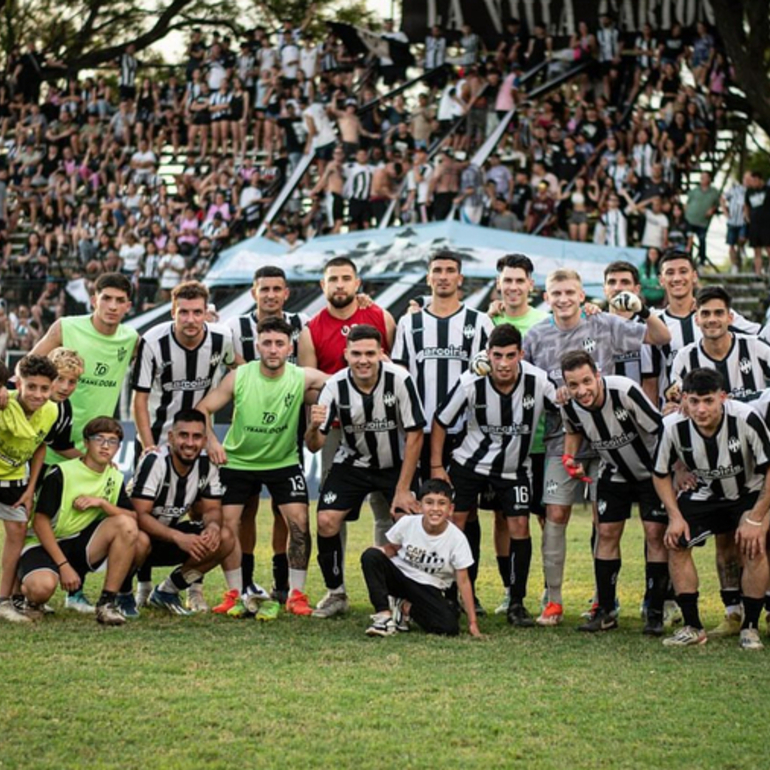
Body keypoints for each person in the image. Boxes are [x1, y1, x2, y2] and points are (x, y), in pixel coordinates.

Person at [523, 268, 671, 626]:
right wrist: (550, 393)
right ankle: (553, 599)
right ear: (546, 297)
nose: (563, 298)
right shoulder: (535, 335)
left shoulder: (601, 322)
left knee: (605, 521)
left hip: (610, 444)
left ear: (581, 294)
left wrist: (643, 309)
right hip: (564, 436)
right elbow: (521, 375)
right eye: (556, 292)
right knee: (556, 515)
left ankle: (602, 600)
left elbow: (661, 337)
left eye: (570, 292)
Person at [198, 317, 328, 618]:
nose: (273, 349)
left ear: (289, 347)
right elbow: (203, 408)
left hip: (283, 462)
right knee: (228, 526)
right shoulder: (240, 376)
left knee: (299, 524)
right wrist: (212, 442)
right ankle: (234, 593)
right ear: (257, 345)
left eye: (279, 344)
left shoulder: (301, 376)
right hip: (238, 461)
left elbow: (342, 381)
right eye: (267, 343)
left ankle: (296, 594)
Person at [432, 324, 557, 626]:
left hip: (514, 469)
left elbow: (566, 411)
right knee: (456, 522)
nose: (503, 363)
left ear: (521, 355)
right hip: (469, 464)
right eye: (497, 355)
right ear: (487, 354)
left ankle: (516, 601)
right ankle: (452, 594)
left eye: (510, 355)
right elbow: (440, 420)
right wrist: (437, 465)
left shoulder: (539, 381)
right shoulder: (472, 380)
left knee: (519, 525)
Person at [391, 250, 493, 609]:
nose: (444, 276)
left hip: (467, 433)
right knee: (422, 511)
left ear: (460, 278)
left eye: (451, 271)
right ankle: (420, 589)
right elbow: (400, 378)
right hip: (420, 433)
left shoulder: (480, 323)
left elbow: (491, 378)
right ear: (429, 277)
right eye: (438, 271)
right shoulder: (410, 324)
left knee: (466, 512)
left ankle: (468, 592)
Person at [305, 324, 425, 619]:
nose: (363, 360)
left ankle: (407, 594)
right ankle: (336, 593)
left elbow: (415, 433)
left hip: (394, 464)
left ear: (381, 353)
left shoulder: (399, 378)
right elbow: (314, 445)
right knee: (326, 520)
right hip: (353, 462)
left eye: (370, 353)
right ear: (346, 354)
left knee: (408, 520)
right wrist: (312, 426)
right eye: (356, 353)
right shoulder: (334, 385)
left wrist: (403, 488)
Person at [653, 369, 770, 650]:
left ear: (723, 398)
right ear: (684, 400)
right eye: (694, 401)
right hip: (707, 491)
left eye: (708, 401)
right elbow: (660, 474)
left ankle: (750, 627)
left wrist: (756, 519)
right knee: (676, 542)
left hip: (749, 492)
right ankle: (693, 627)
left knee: (753, 545)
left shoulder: (745, 418)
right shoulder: (672, 426)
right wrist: (675, 517)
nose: (701, 409)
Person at [560, 351, 668, 635]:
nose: (581, 390)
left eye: (586, 381)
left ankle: (654, 612)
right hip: (613, 472)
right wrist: (569, 458)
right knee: (605, 534)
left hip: (652, 473)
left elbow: (662, 429)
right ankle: (606, 611)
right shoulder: (569, 405)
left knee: (655, 534)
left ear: (597, 375)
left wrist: (676, 473)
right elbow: (573, 431)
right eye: (573, 385)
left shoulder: (625, 391)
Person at [298, 257, 397, 547]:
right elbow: (307, 389)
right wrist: (343, 400)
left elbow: (398, 370)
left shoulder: (381, 317)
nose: (339, 285)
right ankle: (336, 590)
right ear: (322, 285)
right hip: (337, 430)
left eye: (345, 278)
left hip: (383, 427)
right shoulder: (311, 330)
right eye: (333, 279)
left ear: (357, 283)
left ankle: (386, 584)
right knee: (332, 512)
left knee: (387, 510)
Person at [225, 265, 309, 602]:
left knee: (283, 511)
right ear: (253, 293)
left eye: (278, 289)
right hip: (249, 432)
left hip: (288, 429)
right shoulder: (234, 325)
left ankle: (282, 584)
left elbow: (307, 366)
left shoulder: (302, 323)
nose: (271, 295)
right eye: (265, 289)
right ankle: (244, 582)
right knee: (244, 511)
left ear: (286, 292)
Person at [18, 417, 149, 627]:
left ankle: (107, 603)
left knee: (129, 528)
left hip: (80, 545)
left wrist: (102, 504)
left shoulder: (114, 477)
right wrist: (63, 565)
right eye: (99, 439)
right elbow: (40, 522)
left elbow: (132, 517)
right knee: (40, 588)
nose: (106, 446)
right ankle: (25, 596)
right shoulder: (61, 473)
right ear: (86, 443)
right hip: (45, 545)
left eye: (112, 441)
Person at [130, 409, 234, 616]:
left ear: (205, 440)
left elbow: (212, 508)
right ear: (171, 437)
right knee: (139, 539)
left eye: (196, 437)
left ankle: (168, 590)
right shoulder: (155, 461)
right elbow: (139, 515)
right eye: (183, 435)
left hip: (166, 537)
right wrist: (179, 537)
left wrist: (212, 526)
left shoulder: (207, 464)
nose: (189, 443)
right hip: (132, 542)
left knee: (225, 537)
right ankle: (122, 594)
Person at [31, 272, 138, 457]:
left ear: (128, 306)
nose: (113, 306)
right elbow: (27, 367)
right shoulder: (65, 327)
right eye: (106, 298)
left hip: (93, 450)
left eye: (120, 300)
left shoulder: (131, 339)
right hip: (46, 443)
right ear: (94, 301)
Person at [360, 479, 480, 638]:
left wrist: (473, 623)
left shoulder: (457, 539)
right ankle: (384, 617)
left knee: (449, 627)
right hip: (401, 577)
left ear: (450, 509)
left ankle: (404, 608)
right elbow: (391, 549)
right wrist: (373, 556)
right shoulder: (407, 523)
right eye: (429, 502)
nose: (435, 509)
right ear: (419, 506)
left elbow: (463, 581)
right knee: (371, 556)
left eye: (442, 503)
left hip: (429, 587)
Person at [648, 250, 759, 408]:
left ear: (694, 276)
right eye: (670, 272)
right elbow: (650, 380)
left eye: (683, 271)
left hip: (727, 411)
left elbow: (761, 336)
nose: (677, 278)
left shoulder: (721, 316)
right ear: (661, 280)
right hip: (681, 413)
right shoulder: (655, 323)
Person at [0, 356, 58, 623]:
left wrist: (30, 488)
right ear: (17, 384)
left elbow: (40, 447)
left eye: (44, 388)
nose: (37, 394)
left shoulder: (52, 411)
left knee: (17, 535)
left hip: (15, 484)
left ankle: (4, 601)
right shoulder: (3, 404)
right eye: (31, 387)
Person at [669, 286, 770, 405]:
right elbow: (674, 396)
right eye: (705, 314)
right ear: (696, 319)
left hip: (754, 423)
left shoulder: (756, 347)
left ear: (730, 318)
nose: (712, 319)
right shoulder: (684, 358)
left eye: (719, 313)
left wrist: (735, 403)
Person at [684, 172, 720, 266]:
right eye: (701, 177)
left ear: (709, 179)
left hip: (703, 222)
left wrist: (712, 210)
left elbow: (717, 204)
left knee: (702, 240)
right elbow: (687, 203)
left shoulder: (714, 192)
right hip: (690, 220)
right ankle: (688, 261)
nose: (702, 179)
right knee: (689, 241)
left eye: (704, 177)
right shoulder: (694, 190)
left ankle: (701, 261)